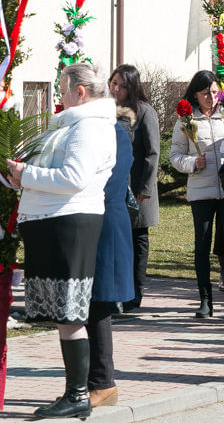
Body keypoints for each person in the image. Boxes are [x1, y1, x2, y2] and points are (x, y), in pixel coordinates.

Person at [9, 63, 117, 419]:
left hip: (69, 222)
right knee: (64, 314)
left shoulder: (90, 127)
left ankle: (78, 395)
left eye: (62, 87)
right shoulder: (73, 124)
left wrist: (28, 175)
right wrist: (16, 176)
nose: (59, 94)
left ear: (80, 92)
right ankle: (76, 394)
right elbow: (48, 170)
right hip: (53, 220)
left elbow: (73, 177)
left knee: (69, 313)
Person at [169, 70, 224, 319]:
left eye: (215, 92)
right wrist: (194, 162)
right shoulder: (186, 121)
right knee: (202, 246)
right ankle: (205, 300)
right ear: (195, 94)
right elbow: (174, 156)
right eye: (206, 93)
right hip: (201, 192)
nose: (212, 97)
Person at [86, 101, 136, 408]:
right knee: (90, 302)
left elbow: (108, 183)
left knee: (99, 302)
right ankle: (91, 382)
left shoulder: (114, 134)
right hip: (93, 222)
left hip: (105, 224)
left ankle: (103, 383)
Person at [109, 64, 159, 312]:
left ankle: (134, 294)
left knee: (137, 240)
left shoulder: (144, 111)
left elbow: (152, 153)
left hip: (137, 188)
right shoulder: (106, 110)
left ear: (132, 87)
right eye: (113, 83)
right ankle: (118, 290)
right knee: (118, 241)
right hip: (113, 187)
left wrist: (144, 187)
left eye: (122, 85)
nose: (116, 88)